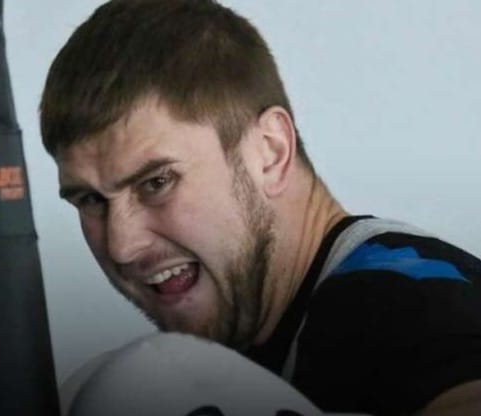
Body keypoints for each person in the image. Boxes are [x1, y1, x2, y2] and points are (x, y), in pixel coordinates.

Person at [39, 0, 481, 414]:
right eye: (91, 200)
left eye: (157, 182)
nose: (122, 245)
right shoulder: (247, 346)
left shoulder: (398, 300)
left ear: (269, 153)